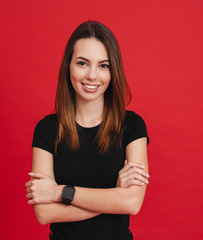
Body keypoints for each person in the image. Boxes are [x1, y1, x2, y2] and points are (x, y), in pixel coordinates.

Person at [25, 20, 150, 240]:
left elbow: (132, 203)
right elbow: (44, 213)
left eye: (103, 65)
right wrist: (114, 196)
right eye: (82, 63)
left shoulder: (132, 126)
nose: (92, 75)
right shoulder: (46, 129)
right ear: (68, 66)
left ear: (113, 72)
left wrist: (59, 192)